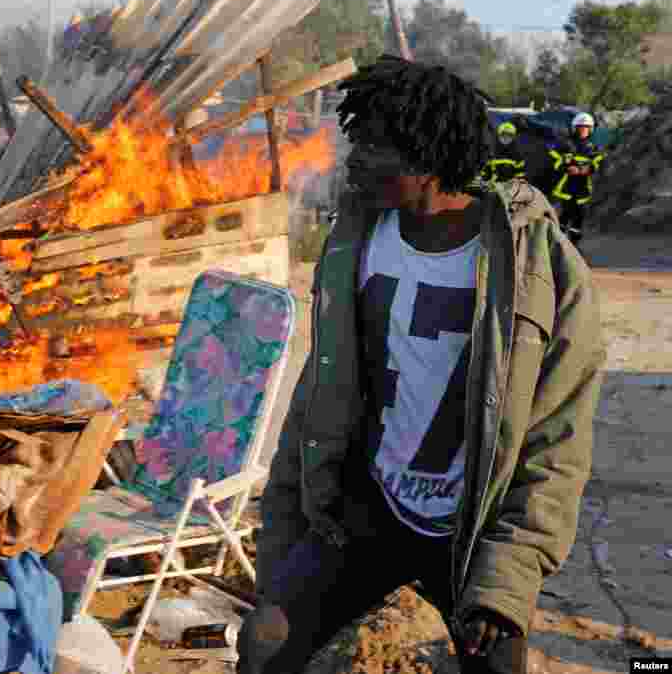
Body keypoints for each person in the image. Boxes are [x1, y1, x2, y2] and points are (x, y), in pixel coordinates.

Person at [237, 56, 604, 674]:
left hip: (471, 531)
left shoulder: (539, 266)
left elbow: (558, 439)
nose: (352, 161)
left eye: (372, 145)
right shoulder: (356, 241)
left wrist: (507, 578)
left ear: (427, 155)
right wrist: (289, 520)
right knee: (266, 640)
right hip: (369, 510)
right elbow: (320, 391)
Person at [546, 112, 604, 244]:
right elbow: (554, 160)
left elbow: (599, 163)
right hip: (567, 186)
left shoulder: (593, 148)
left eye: (586, 128)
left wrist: (588, 169)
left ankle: (574, 244)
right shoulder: (566, 144)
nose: (583, 130)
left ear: (591, 129)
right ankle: (557, 242)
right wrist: (566, 168)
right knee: (565, 213)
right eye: (581, 127)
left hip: (583, 187)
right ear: (575, 128)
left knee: (579, 215)